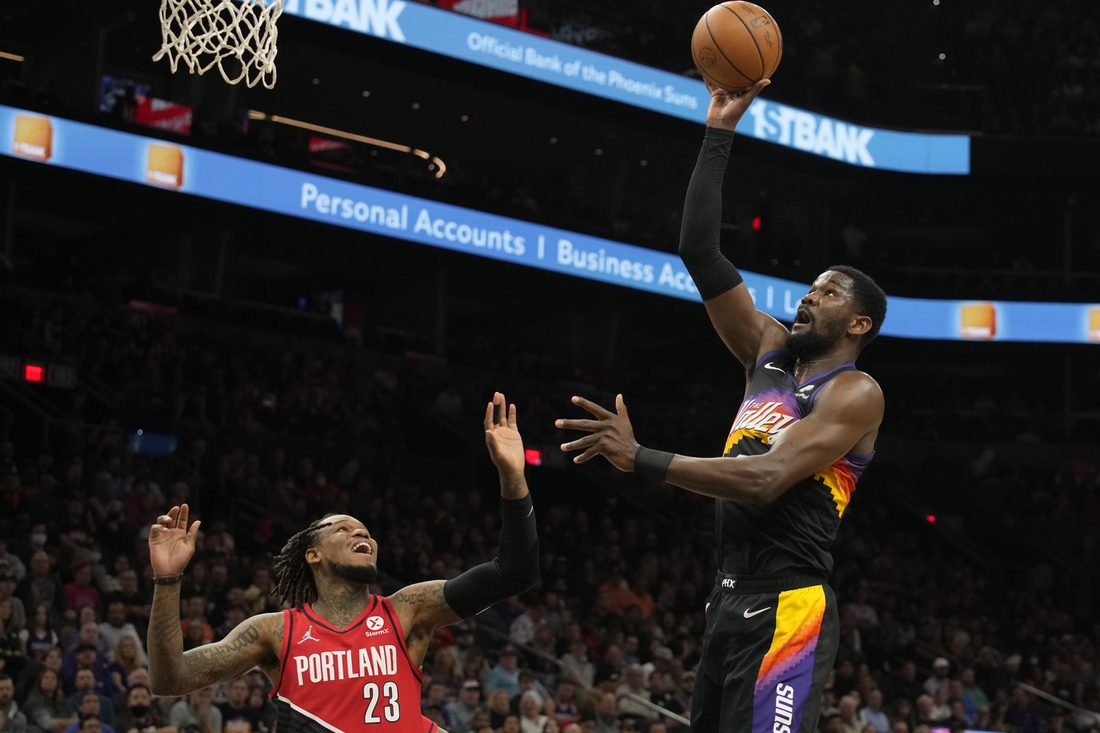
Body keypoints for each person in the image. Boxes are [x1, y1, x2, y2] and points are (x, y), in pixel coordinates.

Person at [556, 82, 886, 733]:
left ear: (859, 323)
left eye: (830, 292)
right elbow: (699, 252)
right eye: (812, 285)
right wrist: (718, 130)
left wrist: (640, 456)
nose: (810, 295)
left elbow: (764, 479)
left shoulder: (857, 392)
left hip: (791, 603)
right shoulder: (765, 347)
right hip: (727, 596)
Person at [145, 393, 540, 733]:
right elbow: (170, 678)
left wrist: (513, 477)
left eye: (366, 532)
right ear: (312, 554)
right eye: (344, 530)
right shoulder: (275, 633)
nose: (362, 535)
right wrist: (168, 581)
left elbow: (513, 572)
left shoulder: (407, 611)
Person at [22, 669, 76, 733]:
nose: (50, 680)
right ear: (40, 681)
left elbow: (73, 716)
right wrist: (69, 723)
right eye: (46, 678)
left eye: (53, 678)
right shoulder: (34, 700)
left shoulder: (60, 699)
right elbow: (47, 723)